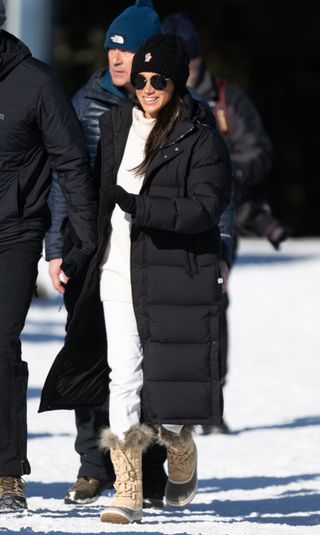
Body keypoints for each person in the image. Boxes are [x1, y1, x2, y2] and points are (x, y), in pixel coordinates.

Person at [40, 33, 232, 524]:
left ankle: (180, 446)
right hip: (116, 271)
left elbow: (207, 206)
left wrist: (143, 207)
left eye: (158, 80)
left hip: (172, 278)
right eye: (141, 79)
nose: (147, 88)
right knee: (122, 380)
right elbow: (98, 194)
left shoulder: (199, 135)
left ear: (177, 81)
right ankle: (127, 489)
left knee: (167, 395)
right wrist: (76, 248)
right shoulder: (116, 123)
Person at [45, 0, 168, 509]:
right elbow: (61, 174)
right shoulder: (85, 101)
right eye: (111, 50)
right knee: (88, 355)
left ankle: (149, 470)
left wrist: (220, 247)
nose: (117, 60)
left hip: (150, 249)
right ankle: (92, 466)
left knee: (149, 365)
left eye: (128, 50)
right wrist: (58, 248)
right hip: (89, 250)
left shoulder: (173, 104)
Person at [162, 12, 289, 434]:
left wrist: (220, 172)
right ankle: (167, 403)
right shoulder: (154, 98)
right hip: (167, 216)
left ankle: (210, 403)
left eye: (191, 64)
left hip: (218, 214)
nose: (185, 73)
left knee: (212, 305)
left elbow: (259, 151)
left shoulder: (225, 98)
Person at [0, 0, 98, 513]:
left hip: (12, 235)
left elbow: (71, 165)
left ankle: (6, 473)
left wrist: (83, 243)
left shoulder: (36, 83)